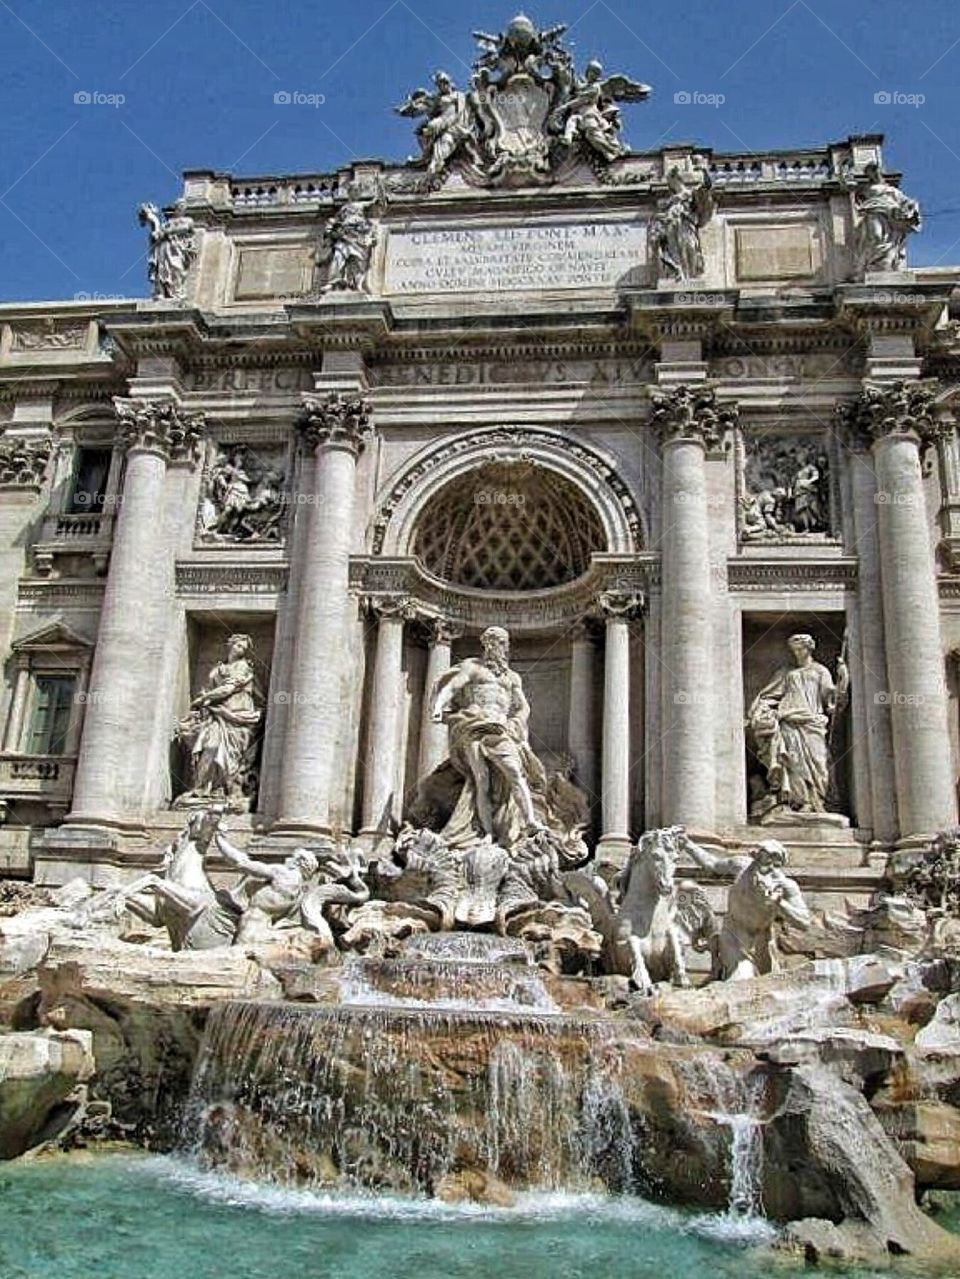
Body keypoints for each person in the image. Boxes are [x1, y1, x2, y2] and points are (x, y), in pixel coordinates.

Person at [429, 626, 548, 848]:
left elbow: (523, 707)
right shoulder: (473, 668)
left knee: (515, 772)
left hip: (500, 729)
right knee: (481, 781)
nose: (503, 648)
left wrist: (517, 723)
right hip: (474, 725)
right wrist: (438, 706)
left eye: (505, 644)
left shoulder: (512, 677)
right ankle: (487, 833)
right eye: (499, 643)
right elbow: (453, 687)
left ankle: (530, 820)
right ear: (488, 644)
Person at [678, 831, 812, 979]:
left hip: (761, 942)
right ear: (757, 855)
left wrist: (780, 904)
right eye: (764, 855)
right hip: (733, 934)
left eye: (773, 860)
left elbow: (804, 922)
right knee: (740, 978)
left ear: (779, 863)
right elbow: (712, 864)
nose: (767, 863)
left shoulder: (786, 886)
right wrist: (688, 845)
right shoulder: (741, 865)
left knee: (764, 984)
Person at [746, 633, 847, 817]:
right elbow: (769, 696)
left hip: (812, 722)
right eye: (795, 650)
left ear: (809, 649)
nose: (798, 653)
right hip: (789, 722)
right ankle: (802, 803)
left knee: (819, 763)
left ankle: (819, 801)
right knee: (794, 763)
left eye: (801, 649)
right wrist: (761, 712)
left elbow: (831, 700)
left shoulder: (820, 671)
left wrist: (843, 679)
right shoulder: (786, 673)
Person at [176, 634, 262, 808]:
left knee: (228, 754)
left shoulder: (243, 666)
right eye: (238, 646)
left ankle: (221, 789)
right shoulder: (217, 669)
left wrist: (204, 698)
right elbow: (209, 690)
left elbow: (229, 688)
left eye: (244, 648)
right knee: (210, 746)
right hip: (216, 714)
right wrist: (203, 702)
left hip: (238, 715)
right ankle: (201, 789)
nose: (241, 650)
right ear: (230, 645)